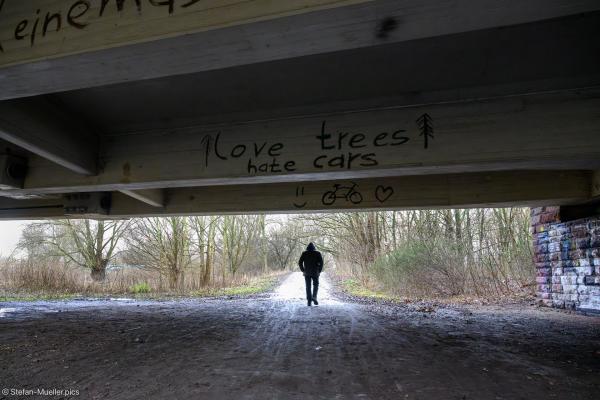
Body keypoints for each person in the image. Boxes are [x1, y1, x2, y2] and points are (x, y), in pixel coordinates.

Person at [298, 242, 323, 306]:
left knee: (308, 287)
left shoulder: (304, 253)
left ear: (307, 248)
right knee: (316, 285)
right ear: (314, 248)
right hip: (315, 272)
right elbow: (321, 262)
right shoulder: (317, 253)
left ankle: (309, 301)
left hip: (307, 273)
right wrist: (319, 270)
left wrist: (303, 270)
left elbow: (300, 262)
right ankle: (314, 297)